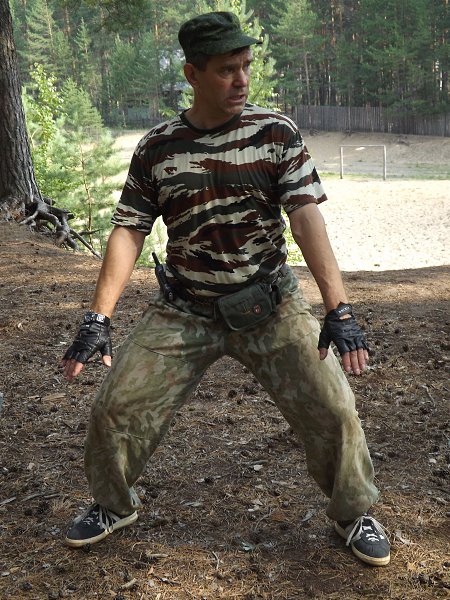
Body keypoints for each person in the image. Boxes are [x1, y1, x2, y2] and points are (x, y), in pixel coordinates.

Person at [61, 11, 390, 567]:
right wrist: (98, 318)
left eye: (246, 66)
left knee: (334, 407)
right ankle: (114, 505)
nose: (241, 80)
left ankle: (353, 512)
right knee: (116, 407)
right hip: (184, 310)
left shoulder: (275, 133)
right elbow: (129, 229)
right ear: (192, 74)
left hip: (270, 304)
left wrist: (339, 308)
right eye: (225, 70)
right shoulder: (158, 147)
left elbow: (305, 216)